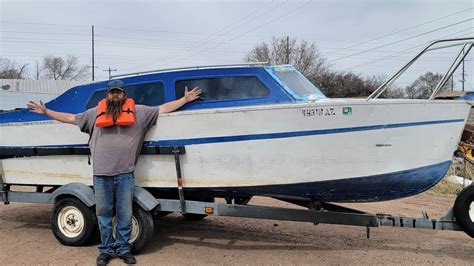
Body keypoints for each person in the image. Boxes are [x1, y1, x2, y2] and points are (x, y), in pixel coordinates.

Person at [27, 80, 201, 265]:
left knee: (125, 214)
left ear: (124, 95)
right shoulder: (94, 113)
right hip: (101, 175)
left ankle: (124, 249)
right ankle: (105, 250)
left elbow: (162, 109)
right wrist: (47, 112)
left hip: (125, 174)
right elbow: (71, 118)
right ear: (107, 95)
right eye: (112, 92)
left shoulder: (139, 112)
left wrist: (185, 99)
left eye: (118, 92)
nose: (115, 95)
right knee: (103, 214)